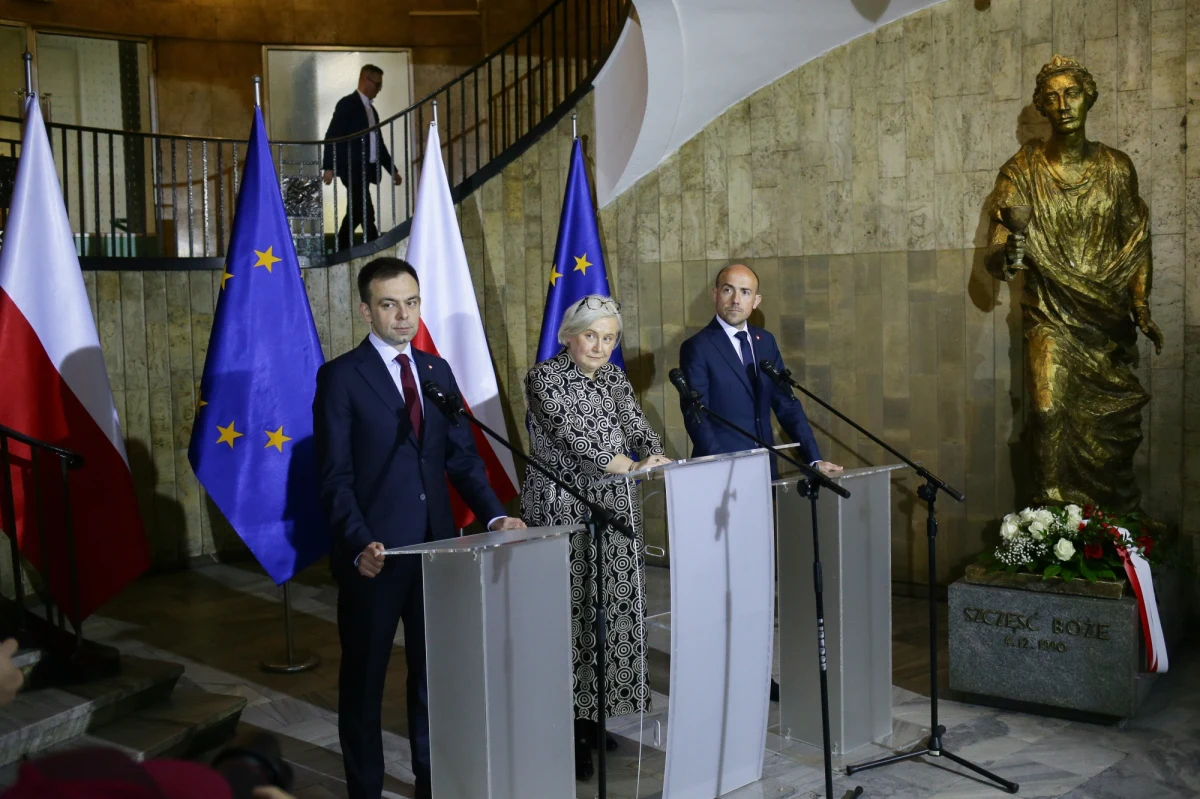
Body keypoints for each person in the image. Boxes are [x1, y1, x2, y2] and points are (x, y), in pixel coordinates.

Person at [313, 257, 525, 799]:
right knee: (364, 681)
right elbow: (334, 476)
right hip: (376, 555)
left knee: (433, 679)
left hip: (437, 552)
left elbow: (462, 459)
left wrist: (496, 512)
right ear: (366, 310)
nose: (403, 316)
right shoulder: (341, 376)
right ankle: (364, 788)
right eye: (389, 304)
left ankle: (433, 783)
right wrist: (358, 541)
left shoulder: (435, 372)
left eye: (411, 303)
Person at [988, 55, 1163, 515]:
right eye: (1052, 97)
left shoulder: (1117, 168)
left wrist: (1141, 305)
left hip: (1106, 319)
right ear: (1041, 107)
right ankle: (1047, 522)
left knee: (1112, 430)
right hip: (1049, 315)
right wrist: (1007, 256)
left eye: (1072, 94)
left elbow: (1136, 240)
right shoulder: (1020, 171)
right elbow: (997, 250)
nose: (1063, 104)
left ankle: (1107, 522)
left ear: (1089, 99)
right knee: (1046, 411)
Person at [521, 295, 671, 781]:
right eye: (592, 335)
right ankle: (568, 729)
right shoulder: (544, 378)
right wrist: (632, 466)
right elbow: (578, 439)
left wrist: (659, 458)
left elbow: (636, 426)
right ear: (569, 335)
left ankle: (593, 716)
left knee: (609, 616)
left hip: (614, 507)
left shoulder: (612, 377)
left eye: (609, 338)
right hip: (562, 511)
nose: (600, 346)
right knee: (571, 618)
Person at [678, 263, 841, 701]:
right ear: (714, 295)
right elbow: (697, 413)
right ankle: (716, 669)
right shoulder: (697, 347)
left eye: (745, 292)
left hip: (761, 478)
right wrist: (719, 468)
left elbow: (786, 406)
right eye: (728, 290)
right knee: (721, 582)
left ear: (757, 301)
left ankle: (753, 669)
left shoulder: (764, 343)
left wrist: (813, 457)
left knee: (753, 579)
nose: (736, 299)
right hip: (719, 481)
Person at [322, 65, 404, 250]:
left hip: (365, 169)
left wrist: (393, 170)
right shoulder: (347, 104)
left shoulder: (371, 111)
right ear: (366, 80)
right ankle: (372, 245)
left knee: (358, 210)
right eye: (378, 84)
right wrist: (329, 166)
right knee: (364, 209)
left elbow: (378, 144)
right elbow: (333, 135)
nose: (379, 89)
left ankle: (344, 246)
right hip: (352, 167)